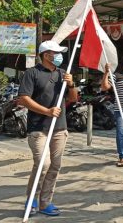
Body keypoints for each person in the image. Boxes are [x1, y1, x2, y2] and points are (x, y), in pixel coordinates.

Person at [18, 40, 78, 217]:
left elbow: (73, 99)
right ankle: (32, 199)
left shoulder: (62, 74)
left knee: (55, 166)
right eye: (56, 52)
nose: (59, 56)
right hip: (38, 128)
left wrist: (72, 84)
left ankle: (45, 203)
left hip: (59, 128)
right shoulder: (32, 73)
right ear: (46, 55)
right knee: (43, 164)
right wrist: (47, 111)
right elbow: (23, 99)